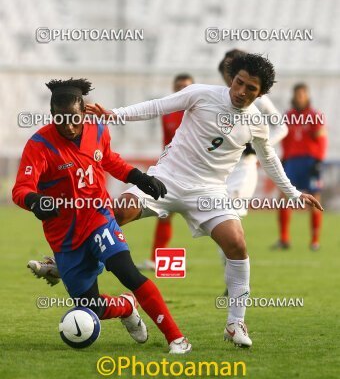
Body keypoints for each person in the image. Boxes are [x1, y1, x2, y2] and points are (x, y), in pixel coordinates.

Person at [84, 53, 322, 348]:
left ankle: (235, 323)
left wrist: (294, 193)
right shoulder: (202, 94)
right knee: (119, 212)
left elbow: (269, 158)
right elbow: (157, 106)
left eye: (251, 89)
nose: (241, 92)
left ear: (260, 93)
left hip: (209, 192)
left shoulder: (256, 123)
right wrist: (114, 114)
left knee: (236, 243)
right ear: (231, 78)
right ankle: (64, 261)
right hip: (168, 178)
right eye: (239, 82)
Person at [12, 78, 191, 354]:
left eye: (74, 119)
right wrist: (36, 201)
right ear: (52, 116)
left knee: (128, 272)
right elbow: (21, 189)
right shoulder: (39, 145)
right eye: (60, 120)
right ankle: (125, 306)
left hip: (98, 217)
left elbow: (108, 160)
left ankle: (177, 339)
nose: (68, 127)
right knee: (89, 307)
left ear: (84, 112)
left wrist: (140, 178)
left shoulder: (96, 127)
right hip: (65, 237)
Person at [218, 49, 288, 216]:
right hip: (220, 165)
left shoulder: (259, 99)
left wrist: (257, 147)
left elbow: (281, 127)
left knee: (230, 215)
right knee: (215, 216)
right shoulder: (219, 97)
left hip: (243, 166)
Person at [138, 73, 194, 271]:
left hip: (198, 173)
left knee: (213, 220)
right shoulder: (168, 114)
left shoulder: (199, 111)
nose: (182, 90)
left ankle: (232, 264)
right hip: (173, 171)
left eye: (186, 86)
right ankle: (156, 260)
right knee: (164, 213)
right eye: (179, 86)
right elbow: (167, 143)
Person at [273, 83, 327, 251]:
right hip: (291, 162)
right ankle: (284, 239)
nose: (300, 97)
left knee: (315, 199)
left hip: (310, 161)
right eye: (297, 94)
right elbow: (284, 139)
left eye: (303, 94)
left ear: (307, 96)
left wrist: (319, 160)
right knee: (283, 198)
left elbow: (322, 138)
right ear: (294, 95)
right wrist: (283, 159)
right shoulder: (287, 116)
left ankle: (315, 240)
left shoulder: (314, 116)